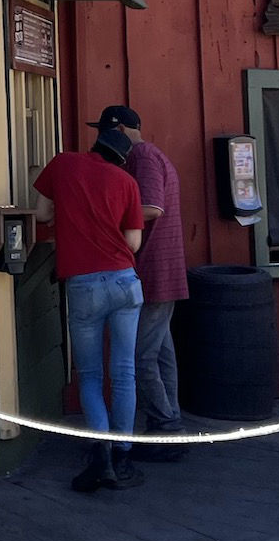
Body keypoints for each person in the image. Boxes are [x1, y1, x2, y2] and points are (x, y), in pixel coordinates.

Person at [31, 127, 147, 493]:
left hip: (84, 283)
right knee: (125, 373)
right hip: (125, 281)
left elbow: (42, 212)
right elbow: (133, 240)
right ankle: (124, 452)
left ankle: (101, 455)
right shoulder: (126, 182)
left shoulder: (63, 164)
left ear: (95, 146)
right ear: (121, 158)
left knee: (91, 375)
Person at [87, 105, 188, 460]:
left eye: (104, 131)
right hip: (162, 268)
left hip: (154, 269)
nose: (100, 139)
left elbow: (151, 208)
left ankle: (165, 426)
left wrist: (102, 217)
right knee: (161, 354)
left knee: (139, 357)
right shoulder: (151, 154)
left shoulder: (143, 156)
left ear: (120, 129)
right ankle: (169, 424)